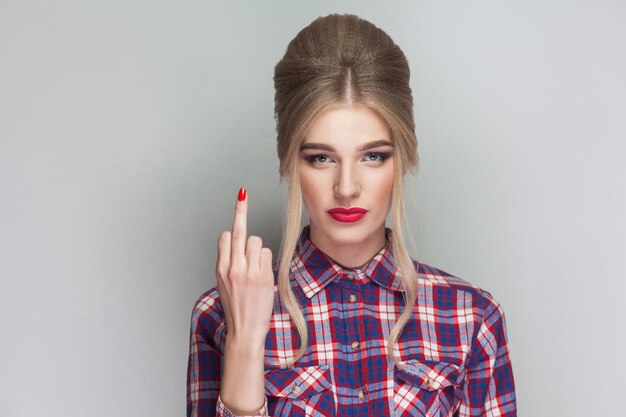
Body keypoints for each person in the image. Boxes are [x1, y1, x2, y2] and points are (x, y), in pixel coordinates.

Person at [186, 13, 516, 417]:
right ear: (291, 163)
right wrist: (246, 341)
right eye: (321, 158)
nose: (346, 187)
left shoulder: (470, 317)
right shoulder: (220, 315)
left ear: (404, 160)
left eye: (373, 156)